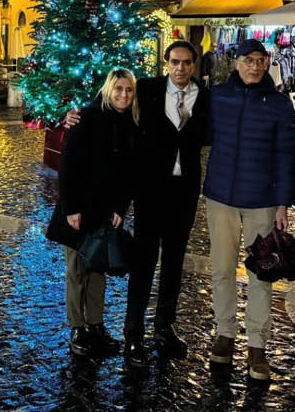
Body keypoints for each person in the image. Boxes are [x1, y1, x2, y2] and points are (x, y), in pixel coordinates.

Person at [203, 39, 295, 381]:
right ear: (236, 62)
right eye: (248, 60)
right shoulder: (218, 97)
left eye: (261, 60)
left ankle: (258, 345)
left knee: (261, 273)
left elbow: (287, 155)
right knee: (222, 270)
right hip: (221, 198)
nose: (255, 66)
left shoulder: (280, 103)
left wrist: (283, 202)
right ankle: (224, 334)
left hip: (262, 200)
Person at [122, 41, 210, 367]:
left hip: (184, 191)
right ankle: (132, 333)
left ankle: (164, 327)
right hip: (150, 190)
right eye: (175, 62)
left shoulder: (205, 98)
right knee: (144, 262)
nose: (181, 68)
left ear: (194, 65)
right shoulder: (147, 89)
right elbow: (113, 104)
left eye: (187, 63)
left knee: (174, 262)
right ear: (166, 63)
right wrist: (76, 115)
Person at [46, 69, 140, 359]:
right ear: (108, 89)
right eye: (119, 89)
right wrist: (71, 209)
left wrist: (120, 208)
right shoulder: (87, 117)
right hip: (80, 209)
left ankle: (96, 325)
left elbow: (128, 174)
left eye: (129, 90)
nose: (124, 95)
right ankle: (77, 328)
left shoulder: (131, 122)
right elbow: (69, 165)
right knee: (76, 270)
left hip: (105, 210)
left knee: (98, 268)